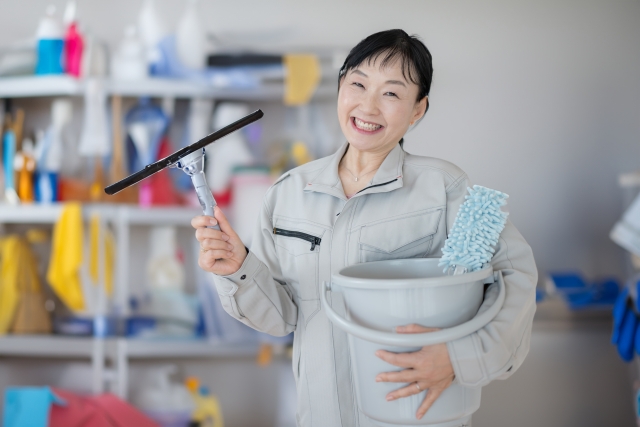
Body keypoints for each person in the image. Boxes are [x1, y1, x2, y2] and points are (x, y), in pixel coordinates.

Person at [192, 29, 537, 427]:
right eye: (358, 84)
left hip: (416, 414)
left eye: (391, 93)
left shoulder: (443, 187)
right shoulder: (288, 193)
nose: (368, 106)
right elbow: (282, 317)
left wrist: (460, 356)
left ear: (417, 110)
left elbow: (517, 276)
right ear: (341, 87)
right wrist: (237, 267)